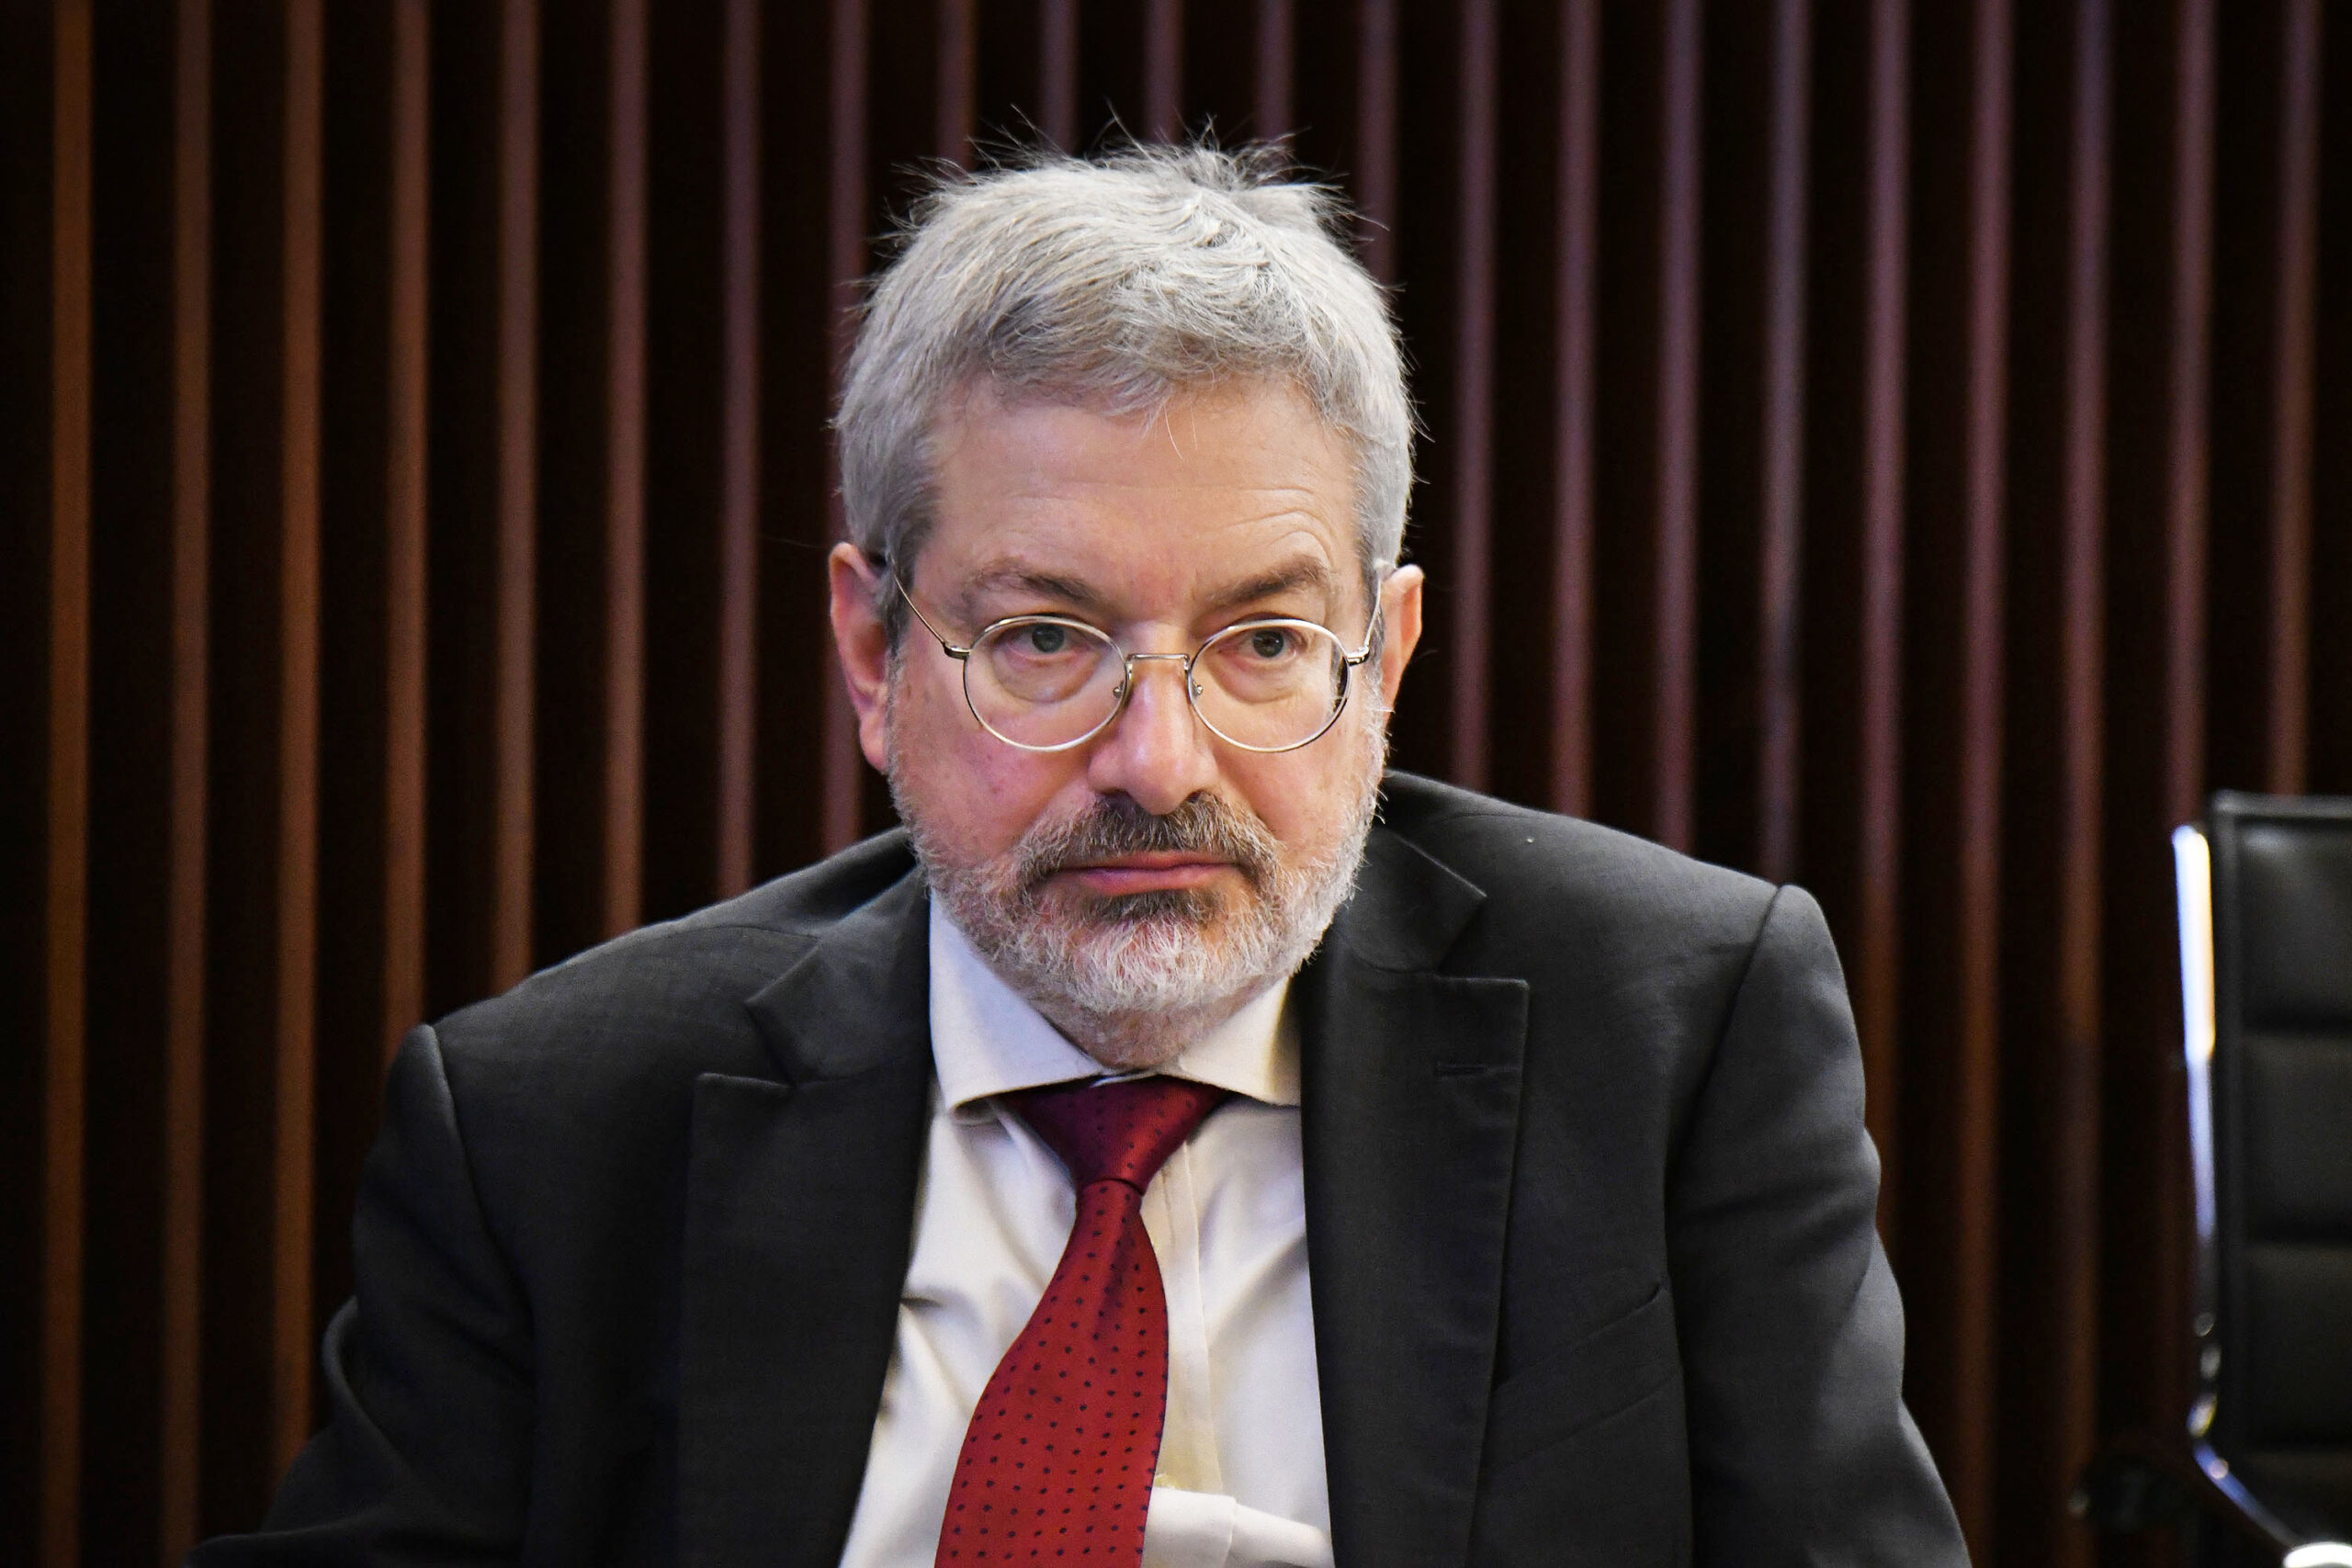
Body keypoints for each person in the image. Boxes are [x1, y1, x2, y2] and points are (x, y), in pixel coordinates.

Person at [191, 144, 1967, 1567]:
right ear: (875, 655)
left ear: (1385, 661)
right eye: (1046, 639)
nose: (1157, 762)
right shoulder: (551, 1126)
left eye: (1264, 644)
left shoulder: (1673, 1035)